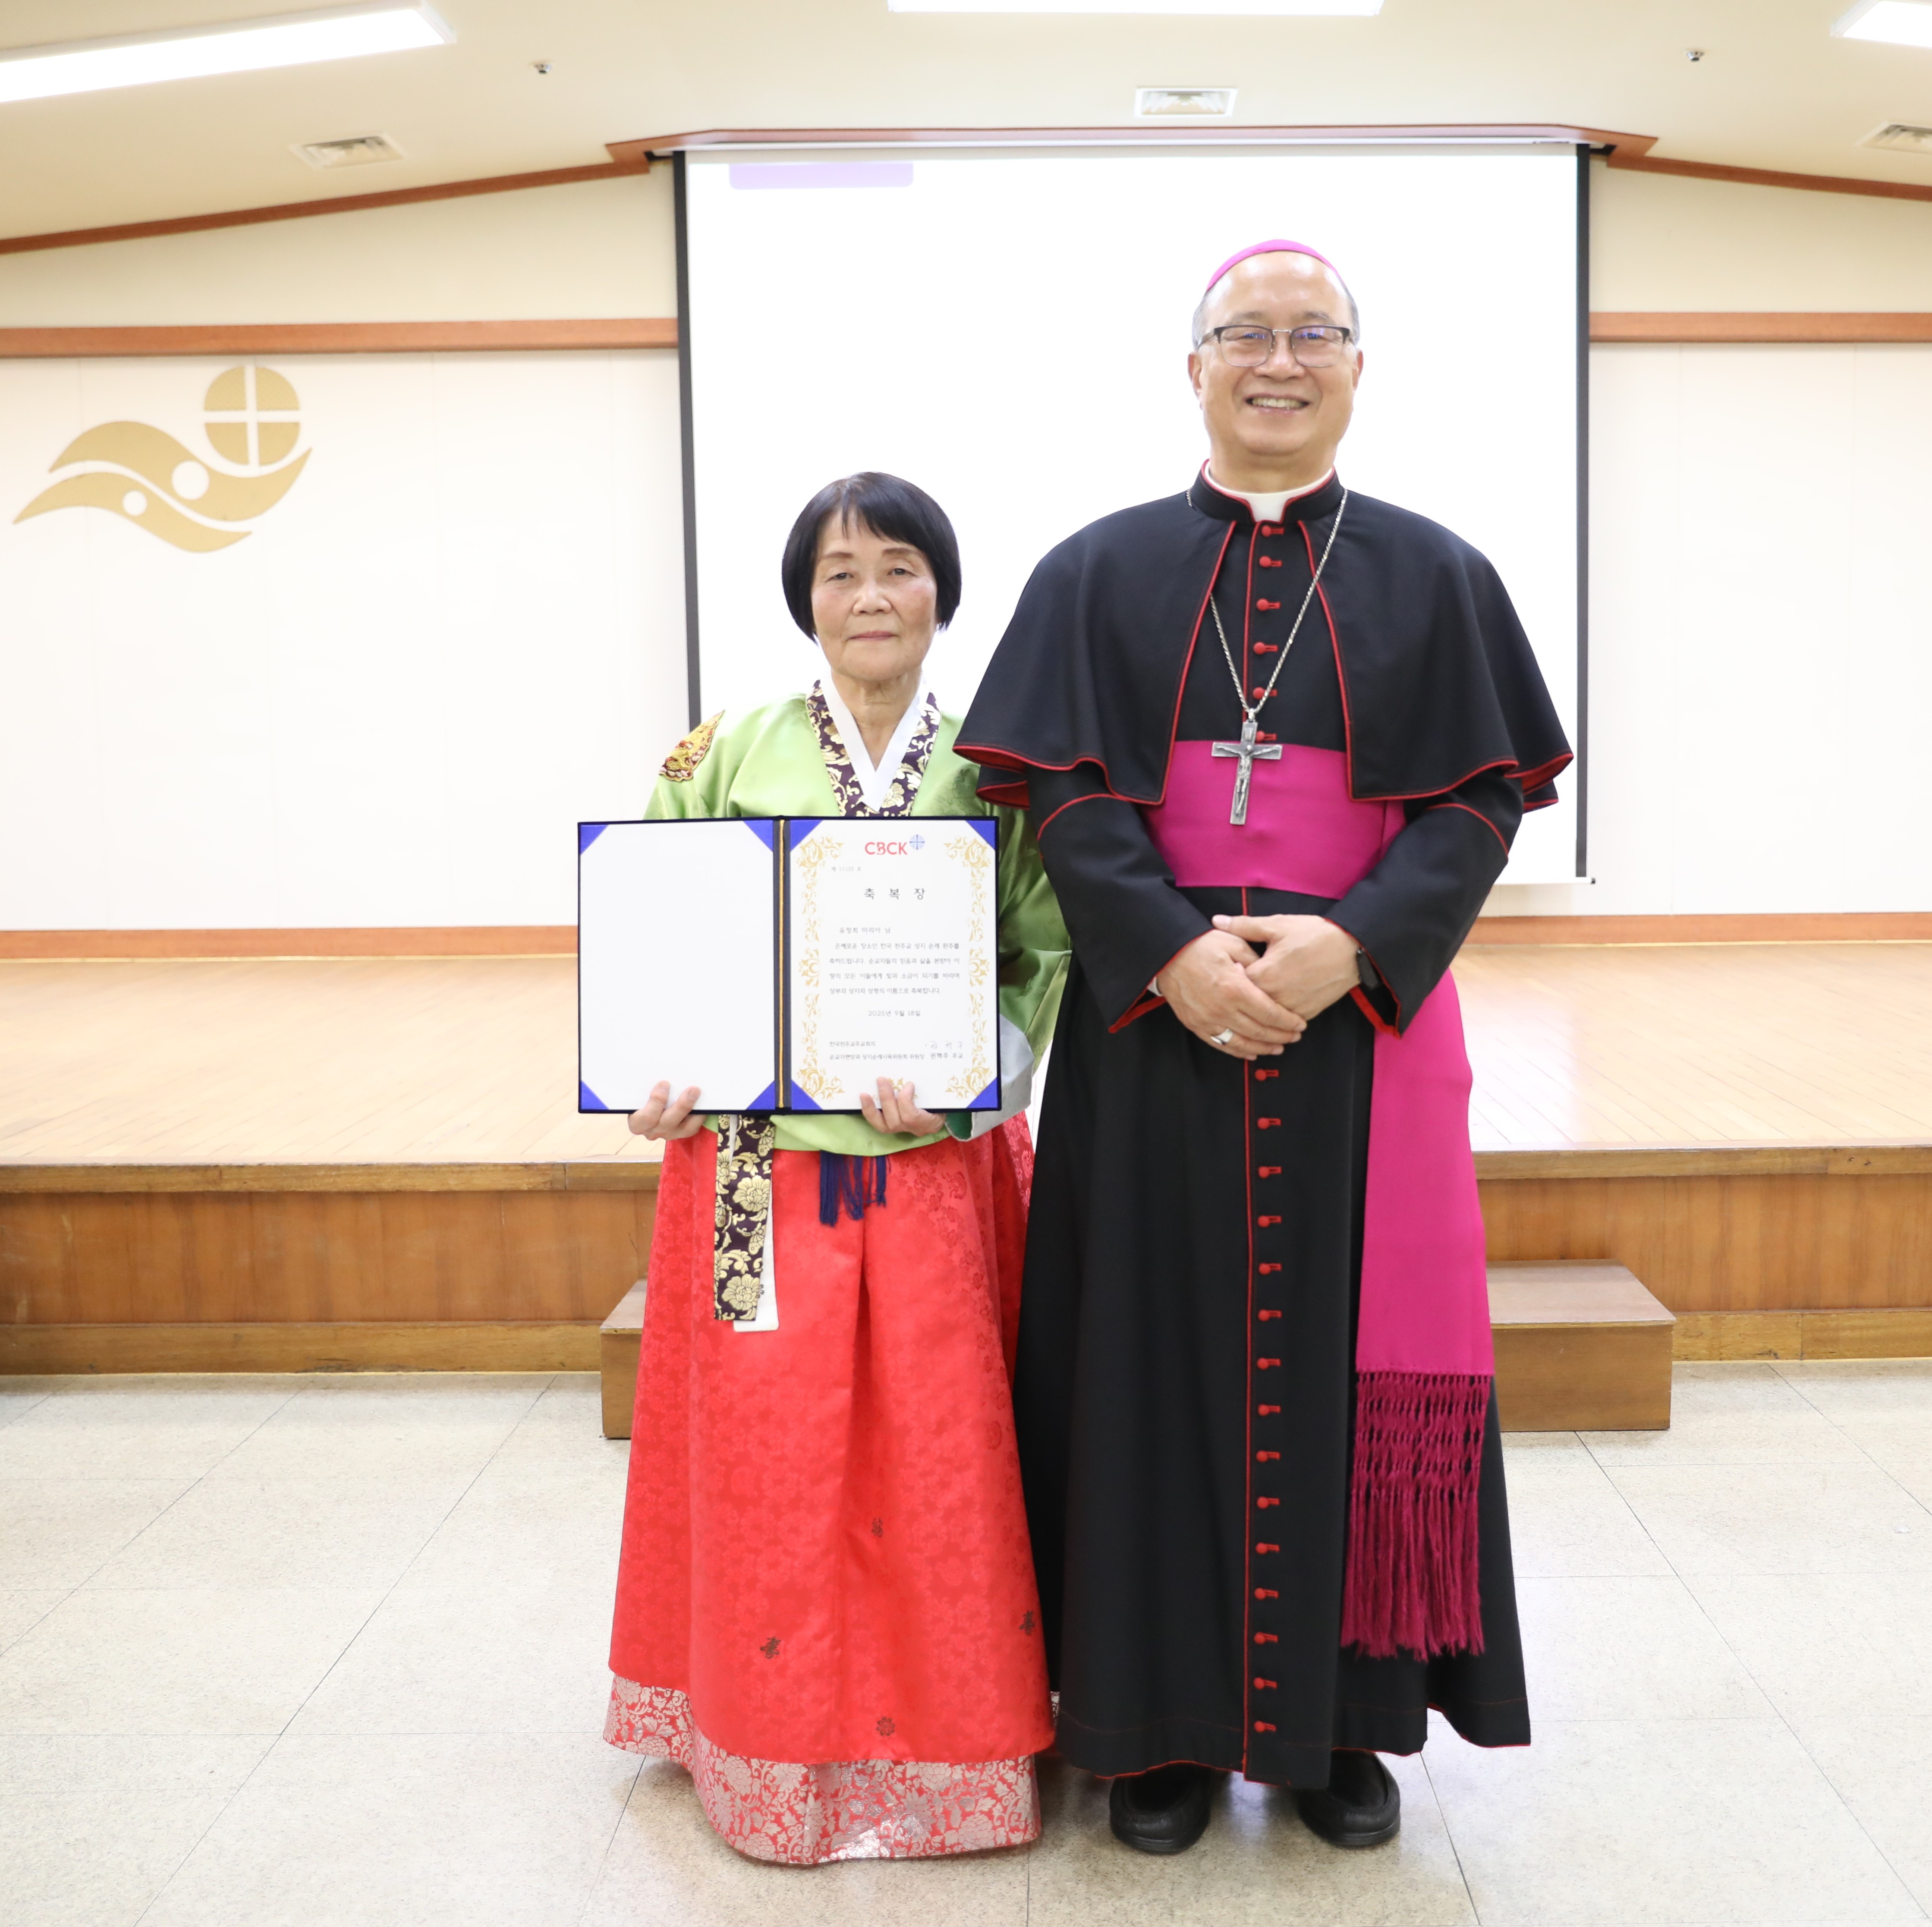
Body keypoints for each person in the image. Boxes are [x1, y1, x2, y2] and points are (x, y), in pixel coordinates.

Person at [956, 242, 1570, 1855]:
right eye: (1247, 334)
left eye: (1315, 335)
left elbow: (1479, 798)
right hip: (1153, 1032)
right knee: (1140, 1362)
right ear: (1196, 368)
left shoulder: (1441, 577)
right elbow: (1066, 793)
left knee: (1347, 1381)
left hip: (1359, 1029)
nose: (1279, 360)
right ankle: (1153, 1729)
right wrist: (1169, 948)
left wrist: (1343, 944)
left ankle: (1339, 1734)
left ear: (1359, 368)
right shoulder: (1097, 571)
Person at [604, 472, 1070, 1865]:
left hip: (930, 1163)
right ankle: (760, 1732)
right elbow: (658, 916)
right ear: (805, 599)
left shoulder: (1001, 763)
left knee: (942, 1452)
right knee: (765, 1449)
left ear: (945, 589)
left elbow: (1043, 948)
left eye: (900, 568)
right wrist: (661, 1065)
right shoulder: (724, 752)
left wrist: (961, 1078)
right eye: (840, 573)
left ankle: (954, 1742)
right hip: (748, 1168)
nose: (871, 597)